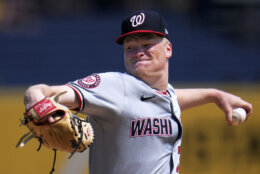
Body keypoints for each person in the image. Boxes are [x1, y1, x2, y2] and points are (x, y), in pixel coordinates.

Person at [23, 10, 252, 174]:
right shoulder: (112, 86)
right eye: (130, 47)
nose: (138, 52)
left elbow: (169, 99)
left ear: (168, 49)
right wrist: (36, 100)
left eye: (147, 44)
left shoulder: (164, 95)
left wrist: (215, 95)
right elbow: (46, 91)